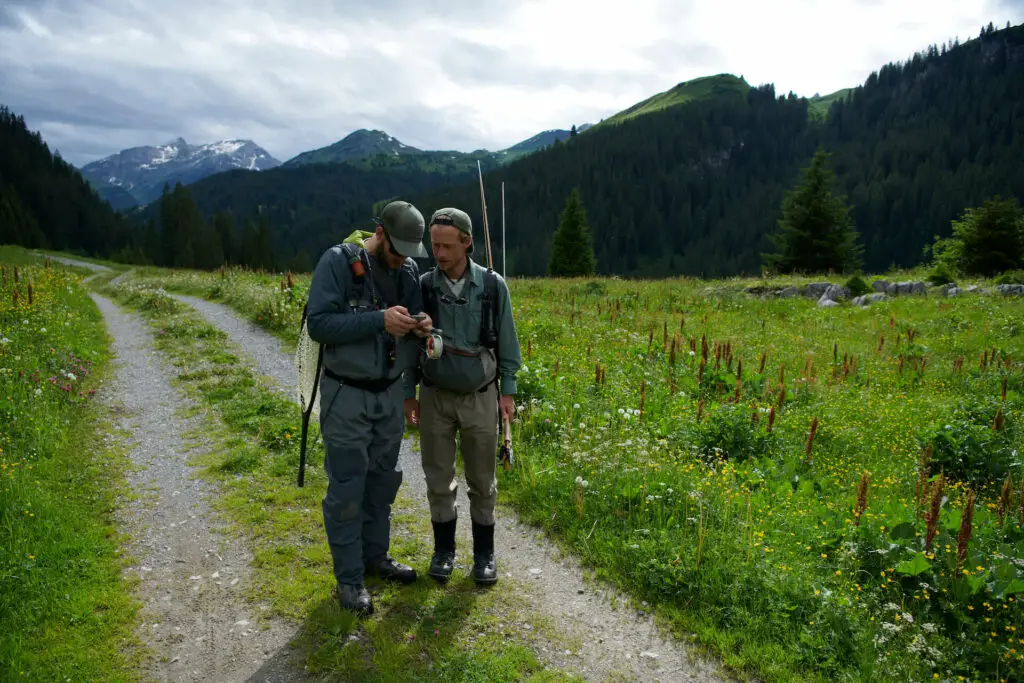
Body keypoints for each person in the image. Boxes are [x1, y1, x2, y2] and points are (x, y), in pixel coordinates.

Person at [305, 200, 434, 615]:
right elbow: (320, 324)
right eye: (396, 251)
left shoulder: (409, 270)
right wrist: (379, 320)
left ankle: (375, 557)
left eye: (408, 254)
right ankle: (349, 580)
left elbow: (412, 322)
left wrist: (422, 326)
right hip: (347, 394)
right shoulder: (338, 262)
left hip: (389, 395)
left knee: (382, 483)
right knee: (347, 489)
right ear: (379, 234)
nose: (401, 261)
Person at [402, 207, 522, 586]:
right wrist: (409, 393)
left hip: (481, 397)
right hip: (434, 396)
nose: (438, 253)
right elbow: (407, 348)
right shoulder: (421, 285)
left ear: (467, 243)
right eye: (434, 245)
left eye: (447, 246)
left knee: (482, 481)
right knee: (438, 479)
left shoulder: (491, 286)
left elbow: (508, 344)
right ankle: (444, 552)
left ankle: (484, 556)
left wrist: (508, 392)